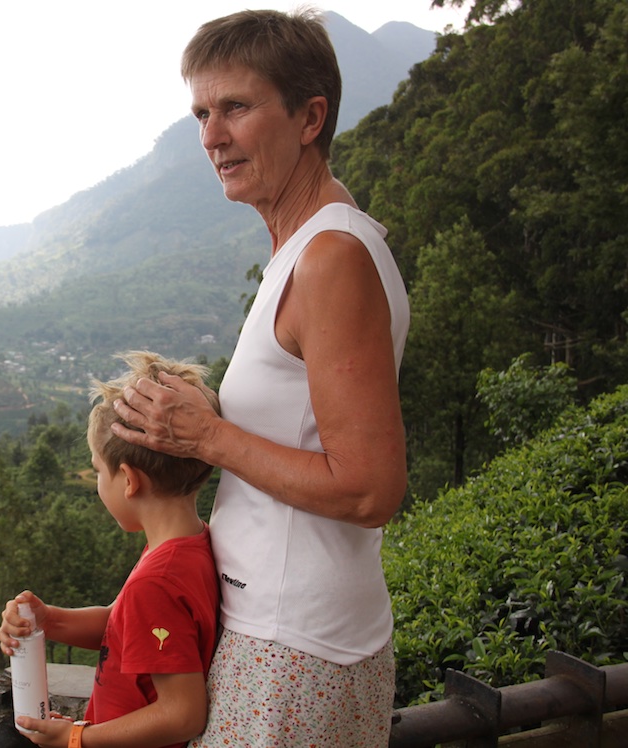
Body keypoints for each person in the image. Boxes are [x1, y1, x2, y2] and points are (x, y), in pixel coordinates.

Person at [111, 10, 410, 747]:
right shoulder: (311, 247)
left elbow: (371, 488)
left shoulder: (330, 258)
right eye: (203, 114)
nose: (212, 137)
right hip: (289, 633)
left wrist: (209, 436)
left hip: (293, 644)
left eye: (236, 108)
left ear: (311, 117)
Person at [0, 351, 221, 748]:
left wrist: (78, 738)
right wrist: (50, 620)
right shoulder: (187, 545)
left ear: (130, 481)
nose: (98, 482)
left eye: (99, 471)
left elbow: (183, 713)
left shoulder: (156, 582)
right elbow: (121, 627)